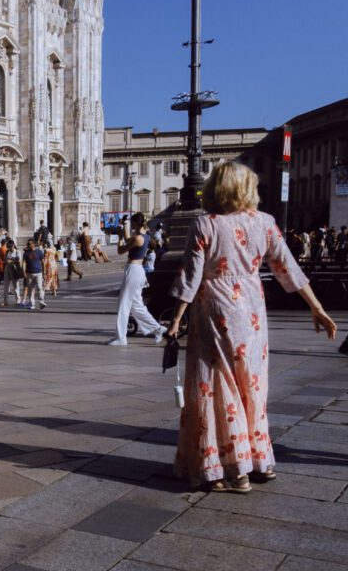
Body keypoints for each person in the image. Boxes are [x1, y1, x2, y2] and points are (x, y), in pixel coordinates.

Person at [167, 161, 337, 492]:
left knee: (217, 385)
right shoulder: (265, 223)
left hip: (215, 306)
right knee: (252, 384)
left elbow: (191, 277)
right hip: (252, 309)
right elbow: (288, 267)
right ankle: (259, 461)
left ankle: (231, 470)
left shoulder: (206, 224)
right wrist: (316, 307)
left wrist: (175, 320)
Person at [108, 212, 164, 346]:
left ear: (136, 223)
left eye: (132, 223)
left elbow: (121, 250)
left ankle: (121, 337)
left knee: (123, 304)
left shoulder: (138, 238)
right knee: (137, 306)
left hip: (133, 270)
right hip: (138, 271)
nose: (131, 225)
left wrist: (119, 237)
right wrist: (123, 231)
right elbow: (129, 239)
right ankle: (158, 329)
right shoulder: (145, 235)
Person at [22, 238, 46, 310]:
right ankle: (32, 304)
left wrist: (44, 272)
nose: (28, 245)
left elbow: (43, 262)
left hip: (38, 272)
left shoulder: (39, 252)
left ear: (33, 244)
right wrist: (23, 272)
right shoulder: (26, 253)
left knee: (39, 287)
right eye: (28, 244)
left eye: (29, 244)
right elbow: (23, 262)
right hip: (29, 273)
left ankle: (41, 302)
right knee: (30, 289)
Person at [3, 240, 24, 306]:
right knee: (6, 285)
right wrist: (7, 261)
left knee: (16, 286)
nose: (9, 248)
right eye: (8, 247)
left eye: (10, 247)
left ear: (13, 245)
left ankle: (18, 300)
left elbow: (18, 259)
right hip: (7, 269)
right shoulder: (7, 252)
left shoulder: (17, 251)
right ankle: (5, 301)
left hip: (14, 269)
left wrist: (11, 260)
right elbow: (4, 260)